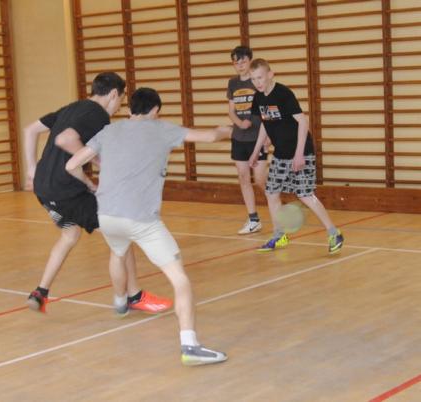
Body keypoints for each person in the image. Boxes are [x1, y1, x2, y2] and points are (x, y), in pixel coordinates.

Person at [65, 87, 229, 366]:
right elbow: (210, 137)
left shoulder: (109, 131)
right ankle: (190, 346)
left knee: (118, 253)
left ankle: (120, 302)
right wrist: (226, 131)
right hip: (142, 220)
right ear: (155, 111)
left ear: (130, 109)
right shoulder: (161, 129)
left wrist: (90, 184)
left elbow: (71, 165)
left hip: (107, 215)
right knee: (180, 279)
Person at [23, 72, 172, 314]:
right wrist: (95, 163)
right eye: (121, 99)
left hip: (44, 188)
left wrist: (31, 169)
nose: (119, 106)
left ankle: (40, 292)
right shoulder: (97, 114)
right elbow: (65, 139)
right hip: (66, 189)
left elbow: (30, 130)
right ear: (113, 94)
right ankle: (134, 295)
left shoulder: (71, 108)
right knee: (122, 231)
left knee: (70, 234)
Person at [248, 59, 344, 254]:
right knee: (271, 192)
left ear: (270, 75)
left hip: (301, 151)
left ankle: (334, 233)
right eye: (253, 79)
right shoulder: (258, 98)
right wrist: (256, 150)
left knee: (304, 194)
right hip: (281, 153)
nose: (257, 82)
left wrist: (299, 154)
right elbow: (266, 124)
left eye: (260, 77)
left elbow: (303, 122)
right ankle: (279, 236)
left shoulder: (283, 94)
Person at [226, 45, 268, 234]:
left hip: (258, 137)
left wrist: (268, 137)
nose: (240, 65)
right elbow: (231, 111)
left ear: (250, 61)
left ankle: (278, 208)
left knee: (260, 179)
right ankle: (253, 219)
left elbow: (267, 109)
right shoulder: (232, 83)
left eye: (243, 61)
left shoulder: (257, 81)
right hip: (239, 137)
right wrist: (239, 123)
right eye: (236, 62)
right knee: (243, 177)